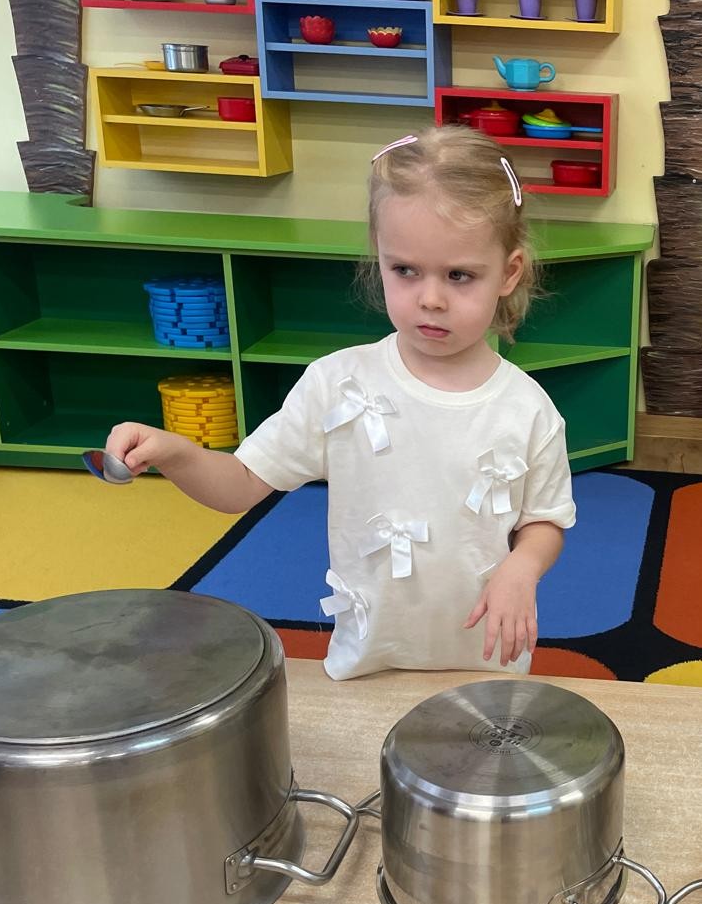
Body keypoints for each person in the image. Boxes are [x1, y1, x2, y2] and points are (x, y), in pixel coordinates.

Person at [106, 126, 575, 678]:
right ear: (380, 258)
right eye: (405, 270)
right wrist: (176, 452)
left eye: (459, 275)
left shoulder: (528, 409)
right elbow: (241, 484)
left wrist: (523, 568)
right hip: (369, 661)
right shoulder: (338, 384)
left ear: (508, 273)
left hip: (487, 664)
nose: (430, 298)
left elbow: (545, 521)